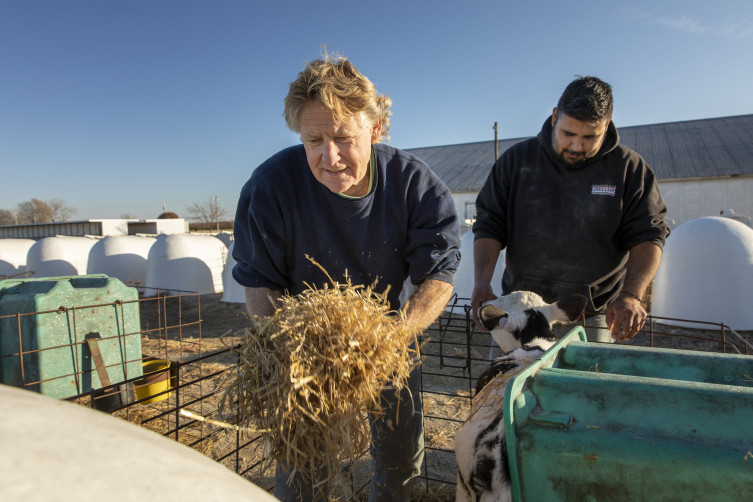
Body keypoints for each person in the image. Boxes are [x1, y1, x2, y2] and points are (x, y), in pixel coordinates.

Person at [232, 55, 461, 502]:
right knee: (302, 466)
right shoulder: (270, 187)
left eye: (343, 137)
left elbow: (439, 274)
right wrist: (292, 349)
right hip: (305, 343)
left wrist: (393, 338)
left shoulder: (416, 186)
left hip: (387, 335)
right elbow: (259, 280)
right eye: (313, 139)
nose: (328, 156)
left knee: (398, 461)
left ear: (375, 130)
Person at [471, 76, 670, 343]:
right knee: (511, 380)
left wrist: (632, 294)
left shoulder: (629, 169)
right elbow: (489, 223)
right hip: (521, 310)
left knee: (582, 384)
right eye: (569, 133)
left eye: (590, 137)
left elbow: (648, 235)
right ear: (555, 117)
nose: (577, 146)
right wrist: (482, 281)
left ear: (607, 125)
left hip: (591, 315)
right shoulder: (517, 161)